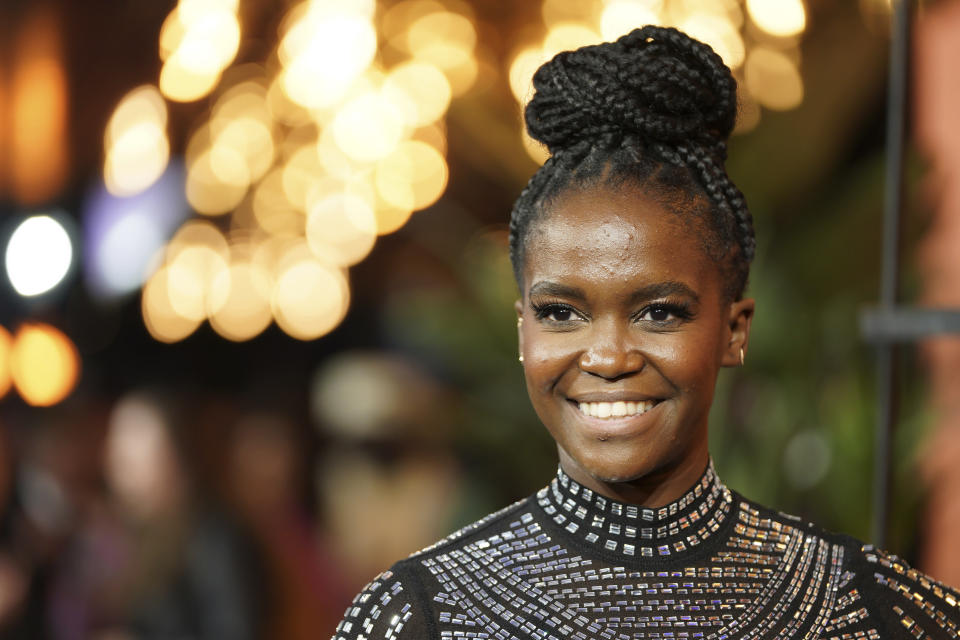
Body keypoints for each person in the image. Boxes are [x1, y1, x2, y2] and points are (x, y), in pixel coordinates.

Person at [332, 25, 960, 639]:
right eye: (561, 313)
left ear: (734, 331)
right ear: (523, 332)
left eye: (659, 312)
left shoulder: (871, 611)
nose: (607, 356)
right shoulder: (417, 616)